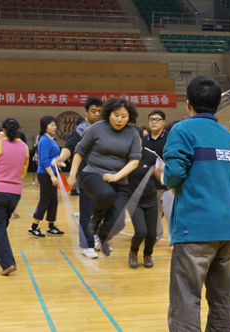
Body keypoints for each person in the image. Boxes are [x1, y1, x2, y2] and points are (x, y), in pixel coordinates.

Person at [163, 76, 230, 332]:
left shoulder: (182, 130)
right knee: (222, 303)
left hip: (194, 229)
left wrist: (162, 175)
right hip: (227, 230)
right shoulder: (226, 135)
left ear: (188, 104)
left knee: (185, 301)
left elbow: (173, 175)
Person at [68, 97, 141, 255]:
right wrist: (72, 174)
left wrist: (116, 177)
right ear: (109, 114)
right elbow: (79, 151)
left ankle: (101, 237)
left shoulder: (132, 134)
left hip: (118, 180)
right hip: (93, 174)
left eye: (124, 116)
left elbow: (134, 160)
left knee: (119, 222)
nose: (120, 119)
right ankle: (91, 234)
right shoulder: (96, 128)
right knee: (105, 194)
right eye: (116, 115)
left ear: (130, 117)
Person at [56, 97, 103, 258]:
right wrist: (61, 158)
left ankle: (95, 237)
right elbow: (69, 146)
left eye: (99, 111)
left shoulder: (105, 127)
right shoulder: (82, 129)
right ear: (86, 112)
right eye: (93, 111)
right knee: (86, 212)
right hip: (87, 178)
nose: (97, 114)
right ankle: (88, 246)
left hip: (104, 178)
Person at [0, 117, 29, 276]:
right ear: (18, 130)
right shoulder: (24, 146)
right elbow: (23, 171)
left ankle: (8, 263)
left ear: (3, 130)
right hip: (15, 193)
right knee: (1, 225)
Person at [28, 116, 64, 238]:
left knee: (53, 201)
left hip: (51, 173)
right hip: (46, 175)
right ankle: (33, 227)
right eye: (51, 125)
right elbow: (43, 160)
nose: (54, 127)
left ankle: (51, 226)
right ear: (45, 126)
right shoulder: (45, 140)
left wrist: (57, 162)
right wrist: (52, 176)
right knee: (44, 201)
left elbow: (50, 158)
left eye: (55, 125)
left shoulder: (50, 139)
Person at [128, 127, 159, 268]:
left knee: (152, 233)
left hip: (151, 198)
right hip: (134, 200)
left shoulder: (150, 155)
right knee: (141, 232)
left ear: (142, 139)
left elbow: (162, 169)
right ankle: (133, 251)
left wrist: (162, 173)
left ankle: (148, 255)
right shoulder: (124, 157)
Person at [143, 109, 173, 243]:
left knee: (171, 214)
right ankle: (155, 237)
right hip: (151, 185)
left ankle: (174, 241)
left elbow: (175, 156)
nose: (154, 122)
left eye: (157, 120)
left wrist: (164, 166)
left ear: (163, 122)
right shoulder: (144, 140)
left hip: (169, 184)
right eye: (151, 120)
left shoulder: (170, 137)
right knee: (153, 215)